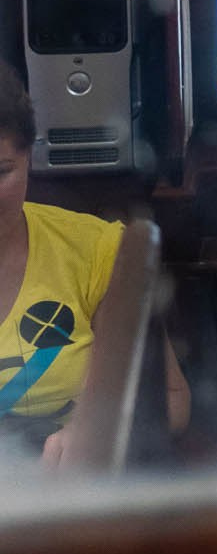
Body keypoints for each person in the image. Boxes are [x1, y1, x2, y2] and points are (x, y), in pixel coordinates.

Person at [0, 63, 188, 465]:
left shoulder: (96, 249)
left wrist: (90, 439)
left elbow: (173, 400)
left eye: (1, 172)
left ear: (29, 157)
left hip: (80, 496)